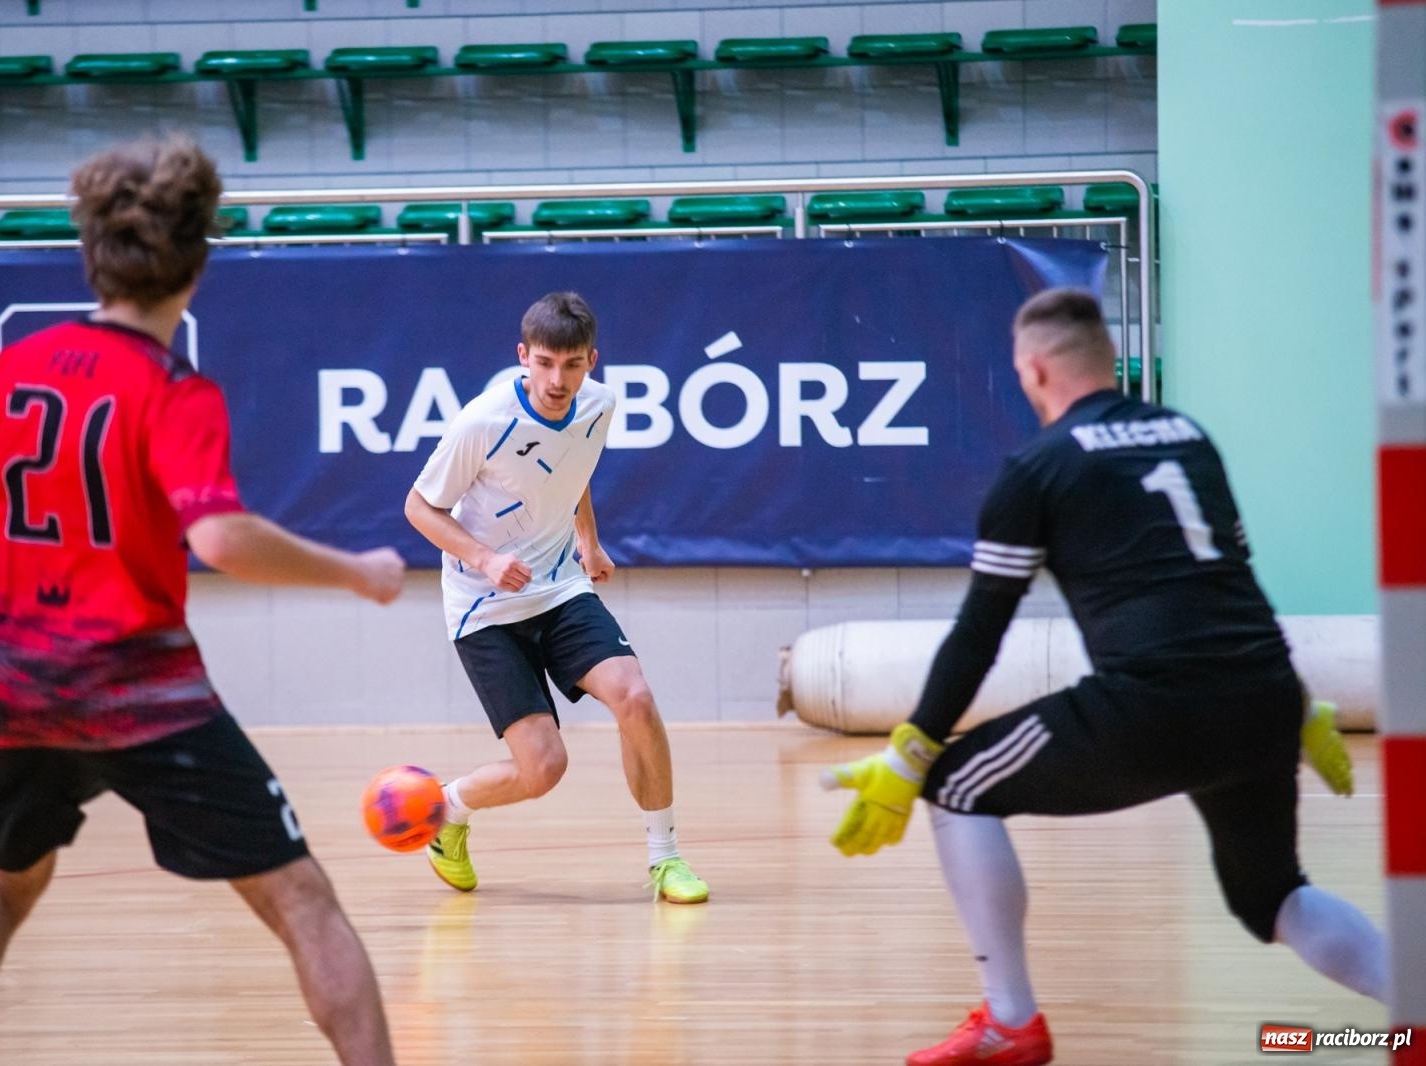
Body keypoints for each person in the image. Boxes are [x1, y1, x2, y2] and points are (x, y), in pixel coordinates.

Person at [0, 135, 402, 1065]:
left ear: (91, 254)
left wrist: (19, 642)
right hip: (140, 694)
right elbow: (219, 538)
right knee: (303, 901)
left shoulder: (16, 367)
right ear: (199, 263)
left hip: (10, 691)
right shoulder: (176, 391)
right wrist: (356, 571)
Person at [824, 287, 1384, 1066]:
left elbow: (981, 629)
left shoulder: (1037, 467)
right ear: (1107, 359)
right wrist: (1297, 705)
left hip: (1156, 704)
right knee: (1276, 894)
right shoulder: (1189, 436)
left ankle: (1011, 1024)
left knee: (956, 785)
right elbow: (1236, 585)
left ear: (1033, 369)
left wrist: (910, 751)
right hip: (1259, 698)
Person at [404, 291, 709, 904]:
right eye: (544, 363)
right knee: (544, 769)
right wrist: (485, 558)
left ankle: (665, 857)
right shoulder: (482, 422)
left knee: (637, 697)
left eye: (571, 365)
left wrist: (588, 543)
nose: (556, 379)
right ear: (523, 356)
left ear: (591, 361)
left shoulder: (598, 406)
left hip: (559, 586)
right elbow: (419, 507)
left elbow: (574, 468)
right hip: (484, 608)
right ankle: (448, 812)